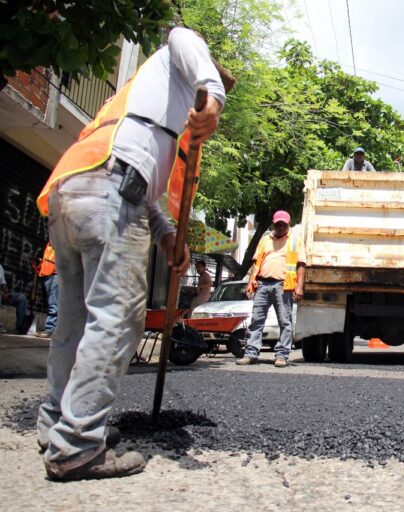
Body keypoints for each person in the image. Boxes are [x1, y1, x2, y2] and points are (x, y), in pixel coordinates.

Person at [34, 27, 231, 481]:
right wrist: (214, 92)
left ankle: (57, 425)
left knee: (75, 322)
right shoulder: (182, 55)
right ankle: (78, 445)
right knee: (118, 317)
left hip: (78, 185)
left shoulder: (145, 108)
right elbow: (183, 35)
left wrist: (166, 236)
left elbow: (143, 195)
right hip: (107, 188)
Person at [237, 211, 306, 368]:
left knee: (285, 321)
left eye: (283, 224)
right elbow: (257, 262)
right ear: (274, 224)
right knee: (256, 320)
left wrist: (299, 286)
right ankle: (251, 354)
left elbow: (301, 264)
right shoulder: (265, 239)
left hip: (283, 286)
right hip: (262, 285)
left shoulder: (295, 240)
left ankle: (282, 355)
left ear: (288, 224)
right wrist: (250, 282)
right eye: (277, 224)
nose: (280, 227)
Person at [35, 242, 58, 338]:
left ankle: (50, 329)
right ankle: (51, 328)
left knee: (53, 302)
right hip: (46, 274)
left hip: (56, 274)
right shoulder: (49, 244)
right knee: (50, 303)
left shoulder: (61, 240)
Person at [0, 262, 29, 334]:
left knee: (21, 298)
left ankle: (19, 327)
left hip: (1, 295)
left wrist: (5, 292)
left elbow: (3, 283)